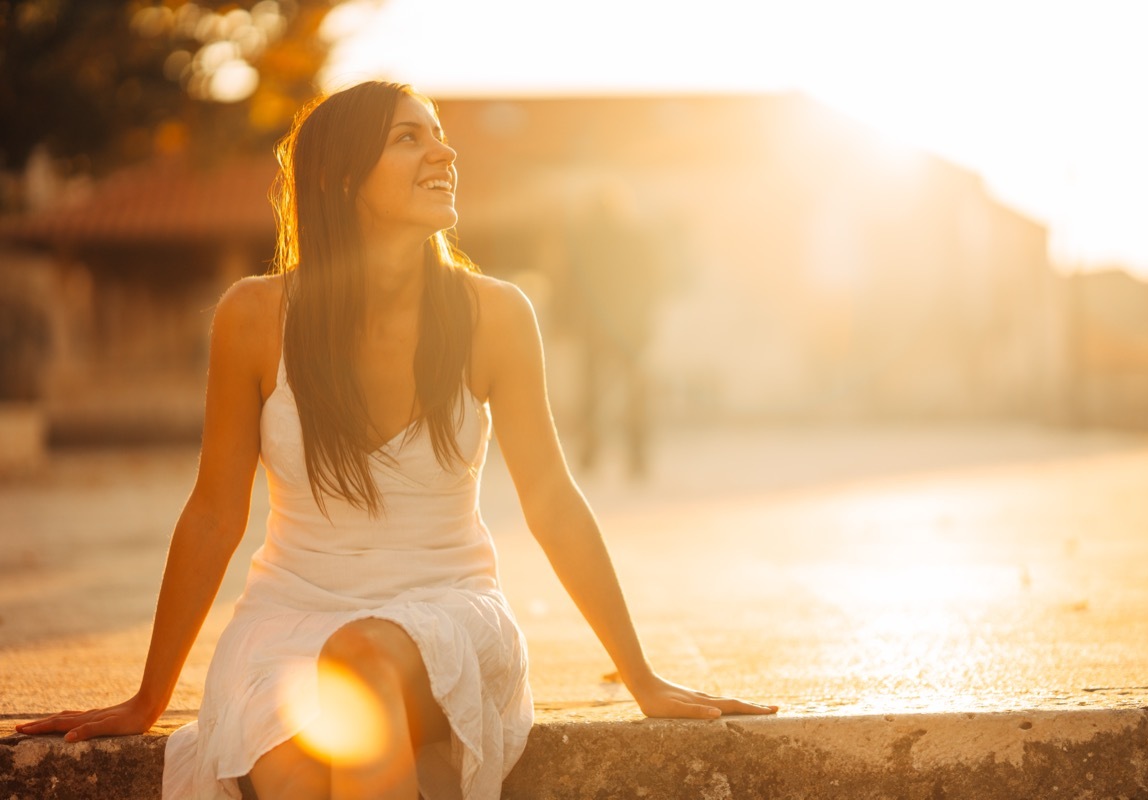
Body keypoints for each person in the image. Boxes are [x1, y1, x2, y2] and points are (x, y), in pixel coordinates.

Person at [15, 81, 777, 800]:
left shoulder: (495, 316)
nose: (444, 152)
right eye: (409, 138)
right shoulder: (252, 318)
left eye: (439, 135)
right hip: (285, 621)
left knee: (361, 657)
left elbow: (551, 500)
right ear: (340, 179)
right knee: (295, 770)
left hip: (448, 614)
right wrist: (148, 698)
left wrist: (641, 676)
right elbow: (214, 513)